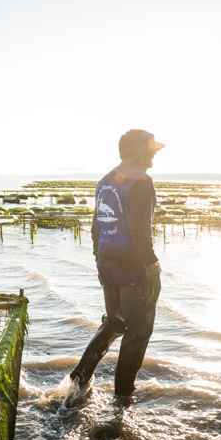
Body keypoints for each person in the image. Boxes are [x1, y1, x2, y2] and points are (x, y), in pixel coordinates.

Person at [69, 129, 164, 401]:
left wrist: (100, 261)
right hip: (133, 266)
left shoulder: (105, 181)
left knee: (114, 323)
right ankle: (123, 399)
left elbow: (96, 227)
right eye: (150, 150)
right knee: (138, 333)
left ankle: (78, 381)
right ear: (138, 152)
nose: (154, 155)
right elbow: (139, 231)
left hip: (107, 262)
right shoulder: (142, 182)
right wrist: (151, 265)